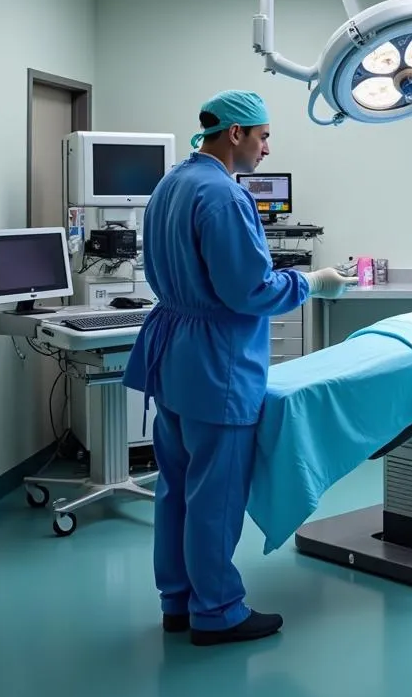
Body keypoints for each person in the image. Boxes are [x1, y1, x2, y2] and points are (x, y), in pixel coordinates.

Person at [123, 89, 355, 646]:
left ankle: (177, 600)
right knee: (216, 494)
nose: (267, 147)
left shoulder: (171, 184)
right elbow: (248, 289)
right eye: (264, 136)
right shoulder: (224, 197)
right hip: (216, 367)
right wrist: (311, 282)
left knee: (175, 487)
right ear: (235, 134)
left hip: (174, 358)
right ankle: (218, 610)